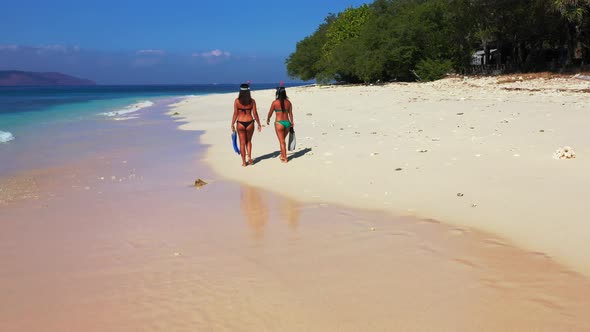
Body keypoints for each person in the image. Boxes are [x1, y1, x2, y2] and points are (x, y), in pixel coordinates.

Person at [231, 83, 261, 166]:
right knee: (249, 141)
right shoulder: (252, 101)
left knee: (242, 143)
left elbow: (235, 113)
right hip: (250, 122)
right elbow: (255, 113)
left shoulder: (237, 101)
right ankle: (250, 158)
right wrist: (259, 123)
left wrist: (232, 124)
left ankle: (244, 162)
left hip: (240, 123)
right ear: (248, 91)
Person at [266, 86, 294, 163]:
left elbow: (270, 112)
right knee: (283, 140)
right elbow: (290, 114)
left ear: (277, 93)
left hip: (279, 123)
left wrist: (268, 119)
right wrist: (292, 122)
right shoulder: (288, 102)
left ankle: (285, 158)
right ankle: (282, 155)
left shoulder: (275, 102)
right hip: (287, 123)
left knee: (282, 141)